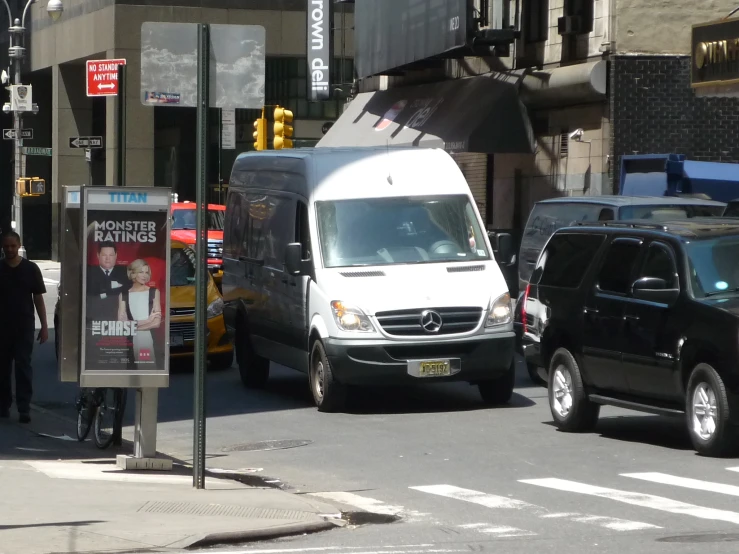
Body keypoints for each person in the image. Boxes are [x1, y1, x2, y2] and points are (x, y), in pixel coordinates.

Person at [0, 231, 47, 423]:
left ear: (19, 245)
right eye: (6, 246)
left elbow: (38, 298)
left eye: (13, 246)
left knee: (23, 366)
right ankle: (3, 406)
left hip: (24, 327)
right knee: (2, 369)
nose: (10, 249)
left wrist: (45, 326)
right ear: (2, 247)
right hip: (2, 328)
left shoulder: (31, 269)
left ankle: (24, 407)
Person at [118, 259, 161, 367]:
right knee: (131, 375)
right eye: (141, 272)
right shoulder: (124, 295)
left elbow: (156, 323)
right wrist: (147, 321)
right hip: (129, 342)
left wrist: (133, 326)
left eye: (146, 272)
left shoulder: (154, 292)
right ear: (133, 274)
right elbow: (122, 324)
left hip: (147, 340)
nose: (145, 275)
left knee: (148, 374)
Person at [86, 241, 131, 322]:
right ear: (98, 255)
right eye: (104, 255)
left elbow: (128, 293)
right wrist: (113, 288)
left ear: (116, 256)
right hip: (94, 319)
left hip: (118, 319)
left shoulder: (125, 272)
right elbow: (91, 296)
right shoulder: (89, 272)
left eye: (111, 255)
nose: (108, 258)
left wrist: (103, 291)